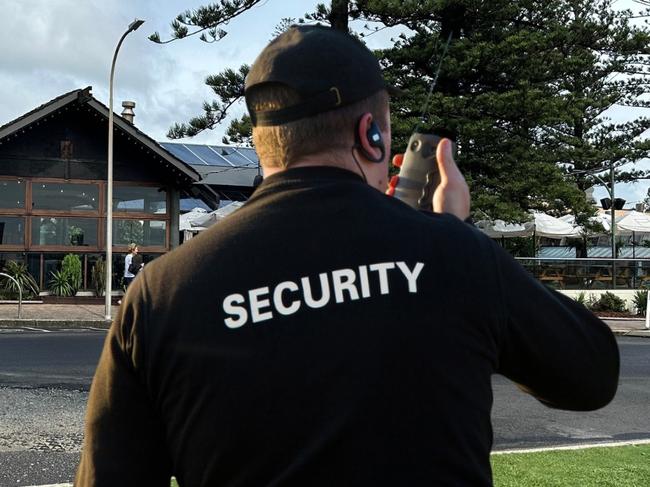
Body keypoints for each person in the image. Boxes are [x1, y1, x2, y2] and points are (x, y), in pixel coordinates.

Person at [75, 25, 619, 486]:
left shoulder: (161, 292)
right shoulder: (454, 253)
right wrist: (447, 239)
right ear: (373, 134)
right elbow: (591, 375)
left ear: (264, 142)